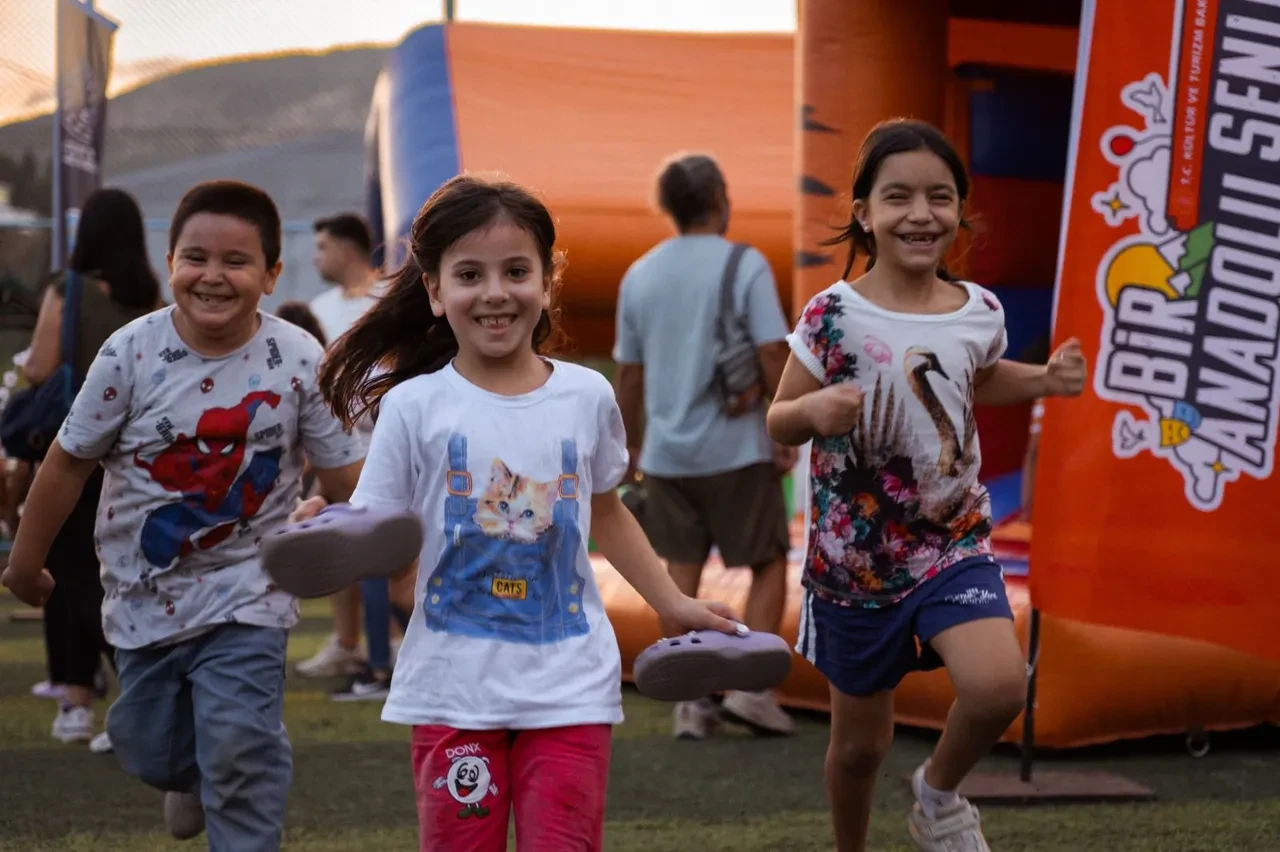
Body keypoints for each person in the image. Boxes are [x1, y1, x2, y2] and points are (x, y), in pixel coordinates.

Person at [299, 172, 742, 851]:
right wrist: (320, 531)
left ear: (546, 283)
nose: (495, 292)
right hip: (452, 692)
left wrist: (672, 601)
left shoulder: (586, 397)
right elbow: (371, 529)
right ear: (435, 291)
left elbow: (606, 511)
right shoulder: (413, 406)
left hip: (569, 688)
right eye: (469, 274)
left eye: (515, 271)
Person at [1, 179, 366, 850]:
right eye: (196, 257)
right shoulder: (130, 352)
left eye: (237, 261)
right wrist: (26, 563)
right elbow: (67, 463)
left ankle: (233, 767)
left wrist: (347, 515)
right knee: (146, 746)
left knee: (241, 752)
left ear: (271, 274)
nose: (213, 275)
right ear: (169, 262)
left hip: (250, 595)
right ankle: (194, 772)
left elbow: (347, 476)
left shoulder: (298, 359)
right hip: (143, 598)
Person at [766, 119, 1087, 852]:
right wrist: (814, 411)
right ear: (864, 213)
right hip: (857, 564)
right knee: (860, 749)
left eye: (940, 197)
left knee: (999, 686)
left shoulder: (978, 309)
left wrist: (1045, 380)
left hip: (952, 541)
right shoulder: (832, 315)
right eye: (899, 197)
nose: (921, 214)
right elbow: (779, 417)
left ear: (960, 210)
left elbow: (977, 378)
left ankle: (938, 796)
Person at [612, 152, 796, 739]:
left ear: (667, 207)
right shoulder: (745, 264)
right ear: (720, 199)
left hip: (667, 455)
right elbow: (772, 352)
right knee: (767, 561)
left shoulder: (639, 274)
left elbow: (630, 374)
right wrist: (783, 423)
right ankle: (751, 690)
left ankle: (689, 699)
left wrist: (629, 445)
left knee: (678, 576)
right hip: (736, 447)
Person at [21, 187, 162, 752]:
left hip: (73, 449)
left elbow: (40, 366)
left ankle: (82, 703)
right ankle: (123, 698)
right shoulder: (153, 298)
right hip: (136, 454)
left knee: (70, 577)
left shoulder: (67, 289)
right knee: (115, 575)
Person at [294, 213, 395, 683]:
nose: (316, 258)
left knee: (386, 553)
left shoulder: (390, 299)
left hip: (388, 444)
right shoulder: (319, 309)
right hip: (338, 446)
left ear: (348, 248)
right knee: (340, 545)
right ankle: (349, 642)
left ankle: (390, 646)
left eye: (322, 247)